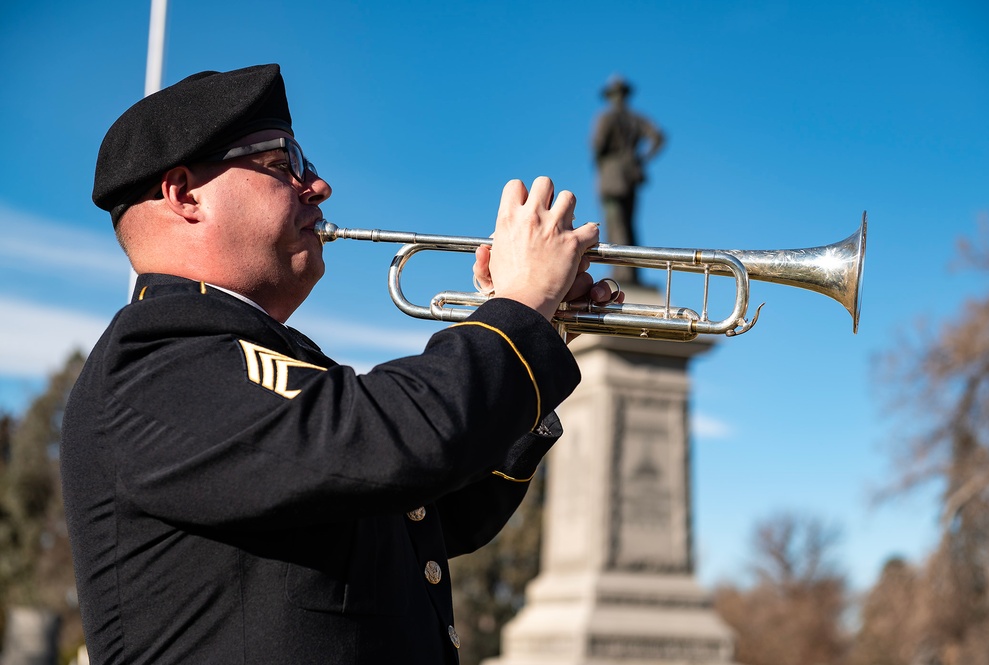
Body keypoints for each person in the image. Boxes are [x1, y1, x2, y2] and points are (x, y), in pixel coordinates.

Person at [61, 64, 618, 665]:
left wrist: (538, 333)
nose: (318, 185)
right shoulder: (154, 360)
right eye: (284, 163)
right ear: (184, 194)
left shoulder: (261, 359)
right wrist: (516, 310)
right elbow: (392, 439)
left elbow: (437, 513)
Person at [591, 75, 665, 285]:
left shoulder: (606, 118)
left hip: (612, 175)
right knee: (629, 224)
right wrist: (641, 159)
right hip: (631, 175)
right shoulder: (636, 119)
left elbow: (597, 145)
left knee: (617, 225)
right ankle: (631, 273)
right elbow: (658, 137)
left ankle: (623, 275)